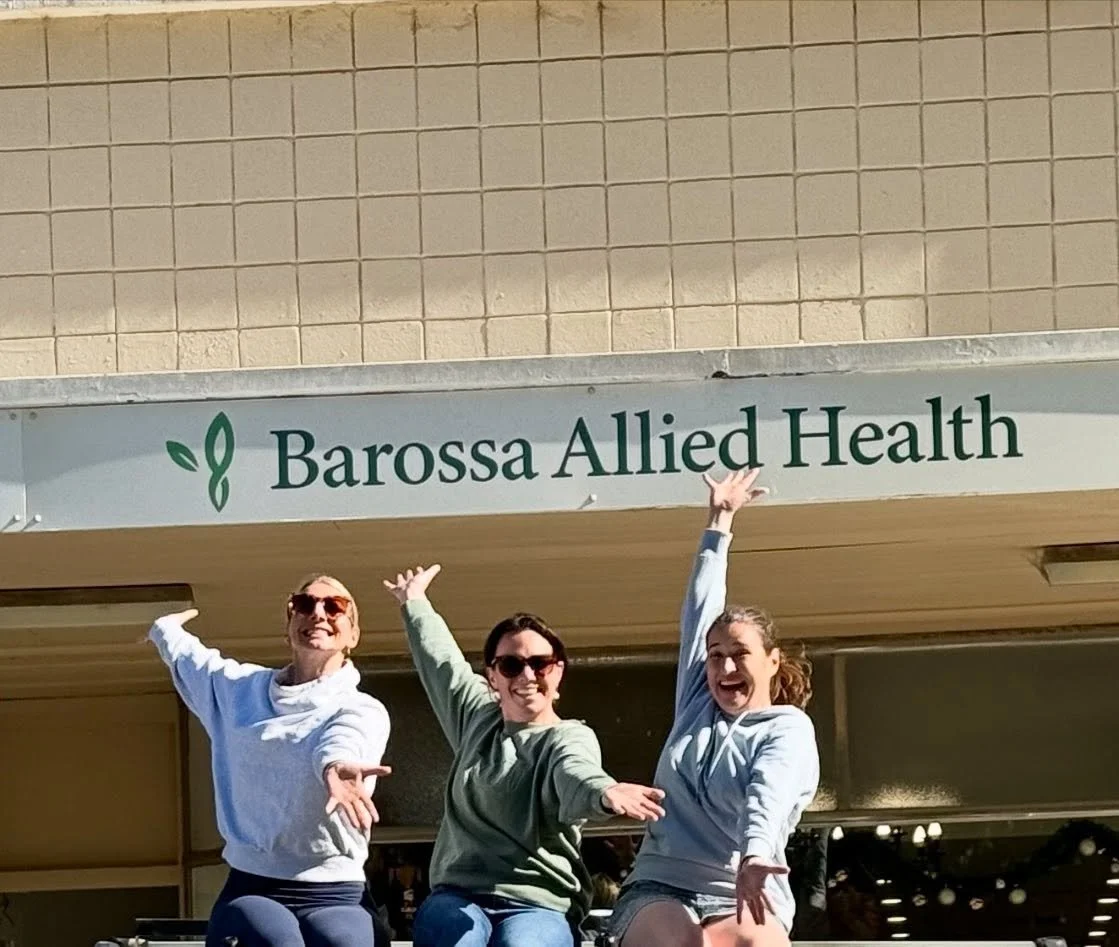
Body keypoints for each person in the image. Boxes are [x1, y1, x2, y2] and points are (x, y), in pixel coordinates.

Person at [382, 564, 667, 947]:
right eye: (512, 665)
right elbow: (442, 664)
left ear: (558, 673)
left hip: (539, 903)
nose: (526, 675)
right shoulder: (476, 719)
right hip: (458, 894)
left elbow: (575, 772)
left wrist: (603, 792)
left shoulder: (568, 737)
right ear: (493, 676)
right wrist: (414, 603)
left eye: (540, 663)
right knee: (454, 938)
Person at [609, 469, 820, 947]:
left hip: (743, 888)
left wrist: (754, 856)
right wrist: (719, 523)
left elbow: (768, 795)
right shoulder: (696, 701)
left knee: (756, 943)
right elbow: (701, 609)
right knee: (674, 939)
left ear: (771, 660)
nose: (725, 666)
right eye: (716, 654)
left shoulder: (788, 728)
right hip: (660, 887)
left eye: (740, 653)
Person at [147, 575, 393, 947]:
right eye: (305, 604)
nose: (319, 614)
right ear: (288, 626)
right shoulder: (240, 691)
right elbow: (193, 660)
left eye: (335, 607)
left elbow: (343, 738)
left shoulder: (361, 708)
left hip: (335, 891)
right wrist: (163, 629)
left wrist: (334, 766)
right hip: (255, 886)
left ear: (353, 635)